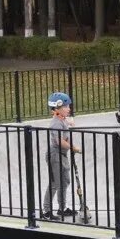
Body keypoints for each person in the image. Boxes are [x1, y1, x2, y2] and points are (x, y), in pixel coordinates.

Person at [42, 92, 81, 220]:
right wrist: (73, 148)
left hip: (61, 155)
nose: (69, 109)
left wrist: (69, 122)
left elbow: (65, 124)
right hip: (55, 155)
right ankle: (51, 210)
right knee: (57, 183)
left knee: (62, 181)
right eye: (66, 106)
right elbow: (59, 140)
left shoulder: (61, 120)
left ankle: (60, 208)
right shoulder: (55, 123)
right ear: (57, 109)